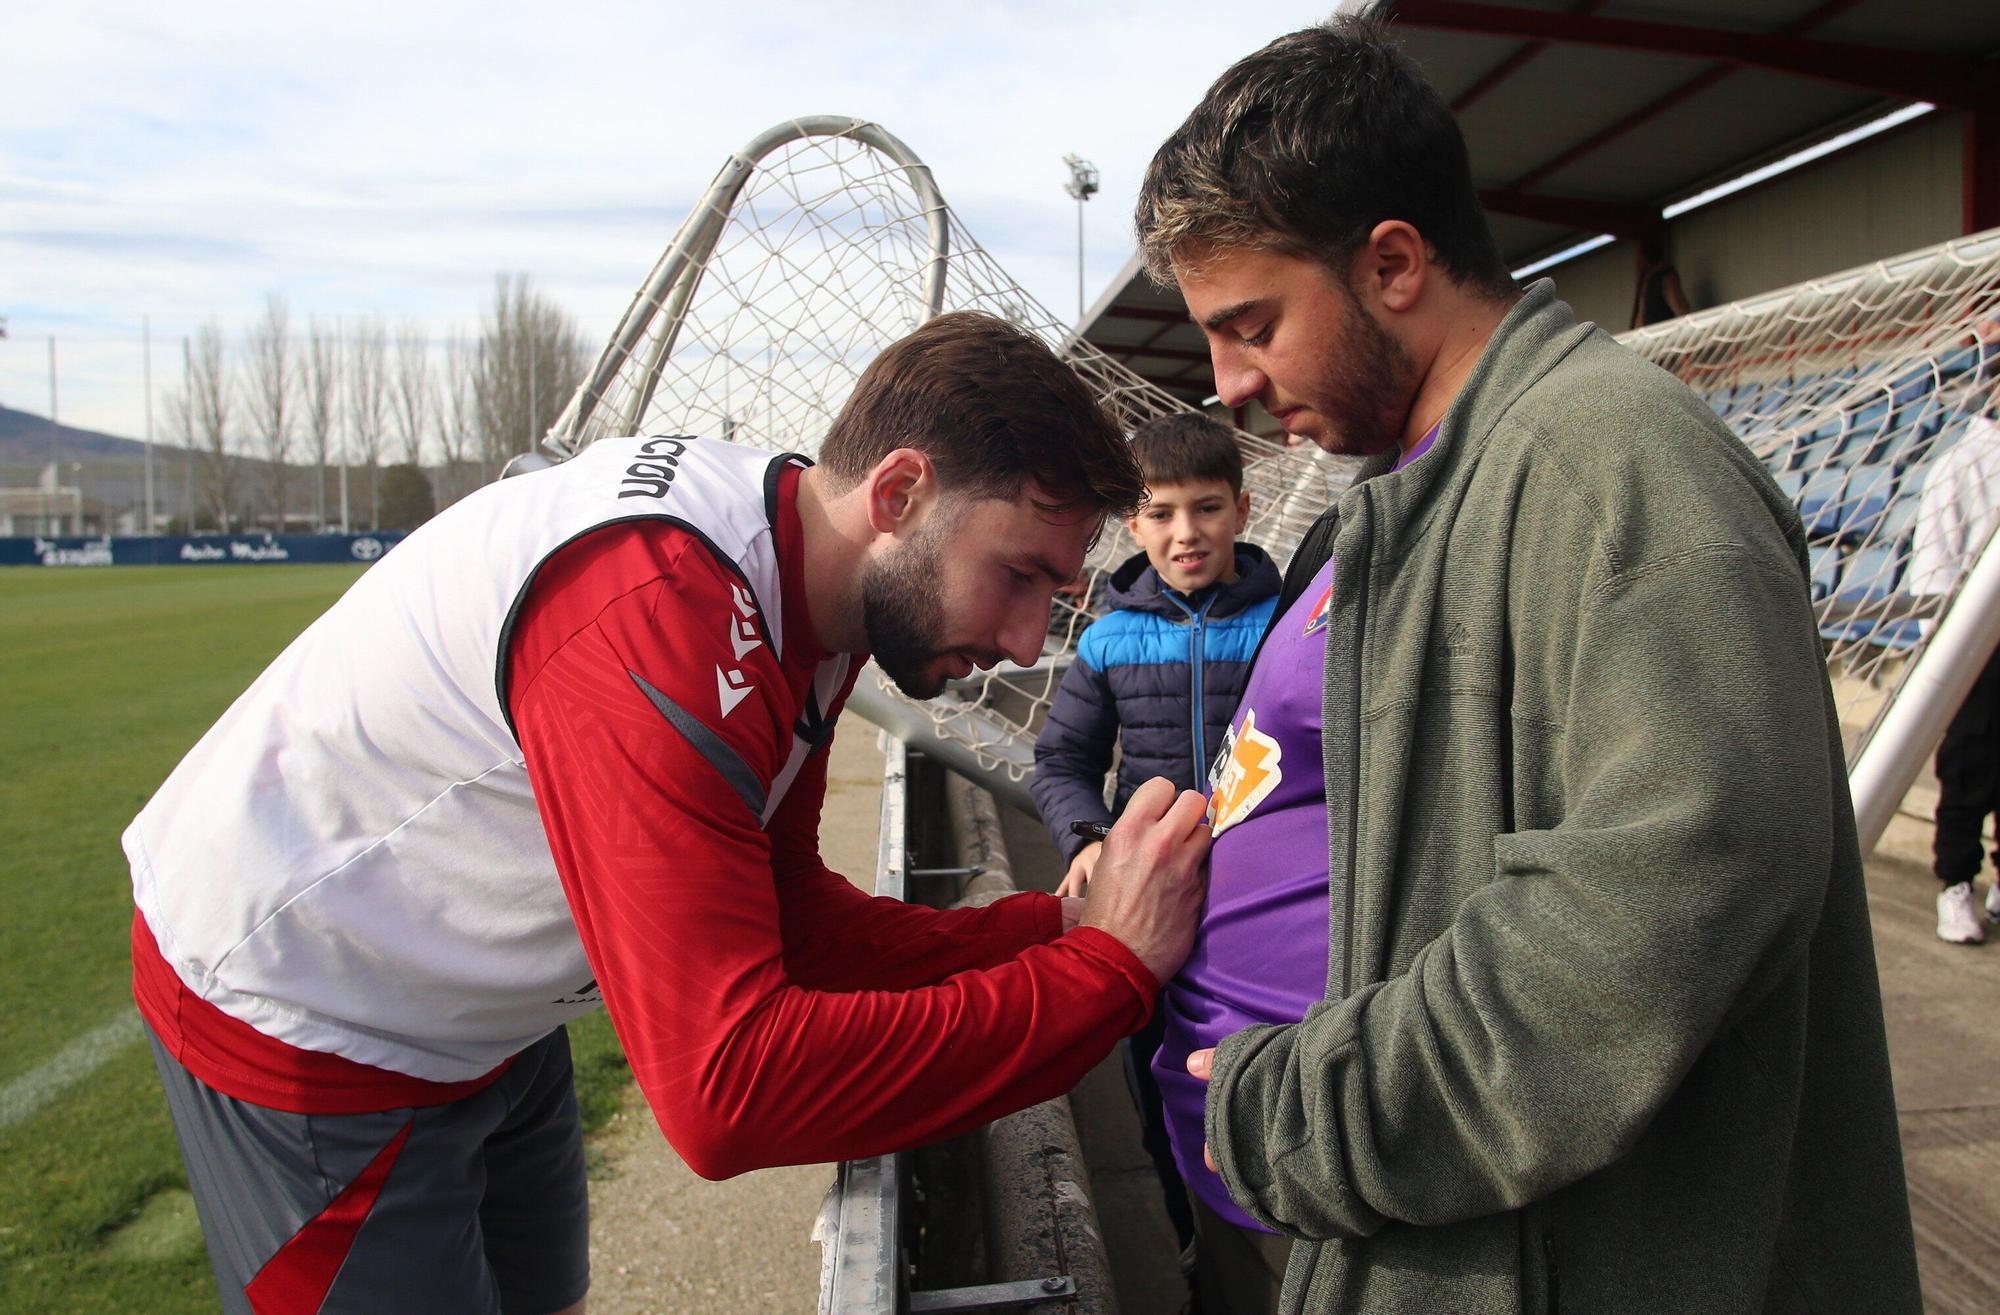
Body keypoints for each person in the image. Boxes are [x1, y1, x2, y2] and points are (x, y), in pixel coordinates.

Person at [125, 311, 1214, 1315]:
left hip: (483, 1005)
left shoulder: (807, 579)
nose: (1030, 640)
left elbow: (790, 918)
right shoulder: (665, 608)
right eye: (1018, 575)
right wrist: (1105, 973)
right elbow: (725, 1089)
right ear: (898, 495)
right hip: (309, 1015)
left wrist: (1051, 933)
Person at [1132, 12, 1920, 1313]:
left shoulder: (1619, 467)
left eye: (1252, 324)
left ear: (1392, 261)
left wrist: (1306, 1109)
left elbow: (1656, 906)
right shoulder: (1413, 489)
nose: (1224, 384)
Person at [1029, 411, 1280, 1285]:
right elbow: (1060, 757)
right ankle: (1189, 1242)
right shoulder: (1106, 638)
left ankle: (1283, 1241)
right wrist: (1090, 836)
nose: (1186, 533)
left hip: (1262, 908)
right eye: (1162, 512)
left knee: (1267, 1069)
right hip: (1154, 911)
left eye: (1206, 508)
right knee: (1159, 1077)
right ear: (1133, 524)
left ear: (1243, 509)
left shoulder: (1290, 623)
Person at [1908, 346, 2000, 943]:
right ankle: (1956, 884)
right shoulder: (1961, 463)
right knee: (1971, 765)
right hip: (1979, 644)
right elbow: (1935, 564)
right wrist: (1947, 651)